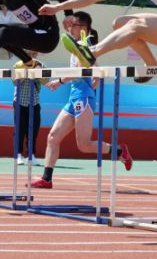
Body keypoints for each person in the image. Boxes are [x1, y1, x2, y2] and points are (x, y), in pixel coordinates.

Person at [31, 11, 133, 189]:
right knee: (53, 137)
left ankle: (118, 150)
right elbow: (94, 67)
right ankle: (46, 179)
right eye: (71, 24)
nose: (71, 27)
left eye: (75, 25)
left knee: (84, 145)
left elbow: (81, 67)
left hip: (83, 97)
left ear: (83, 28)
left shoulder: (87, 43)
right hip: (74, 97)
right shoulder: (76, 45)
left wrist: (60, 81)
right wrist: (96, 76)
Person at [13, 54, 42, 165]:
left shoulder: (39, 64)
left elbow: (45, 81)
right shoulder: (17, 65)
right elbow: (14, 81)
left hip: (34, 101)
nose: (31, 55)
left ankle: (31, 155)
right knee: (19, 130)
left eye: (34, 53)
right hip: (20, 101)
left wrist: (37, 73)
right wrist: (28, 71)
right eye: (29, 52)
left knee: (33, 131)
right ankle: (18, 154)